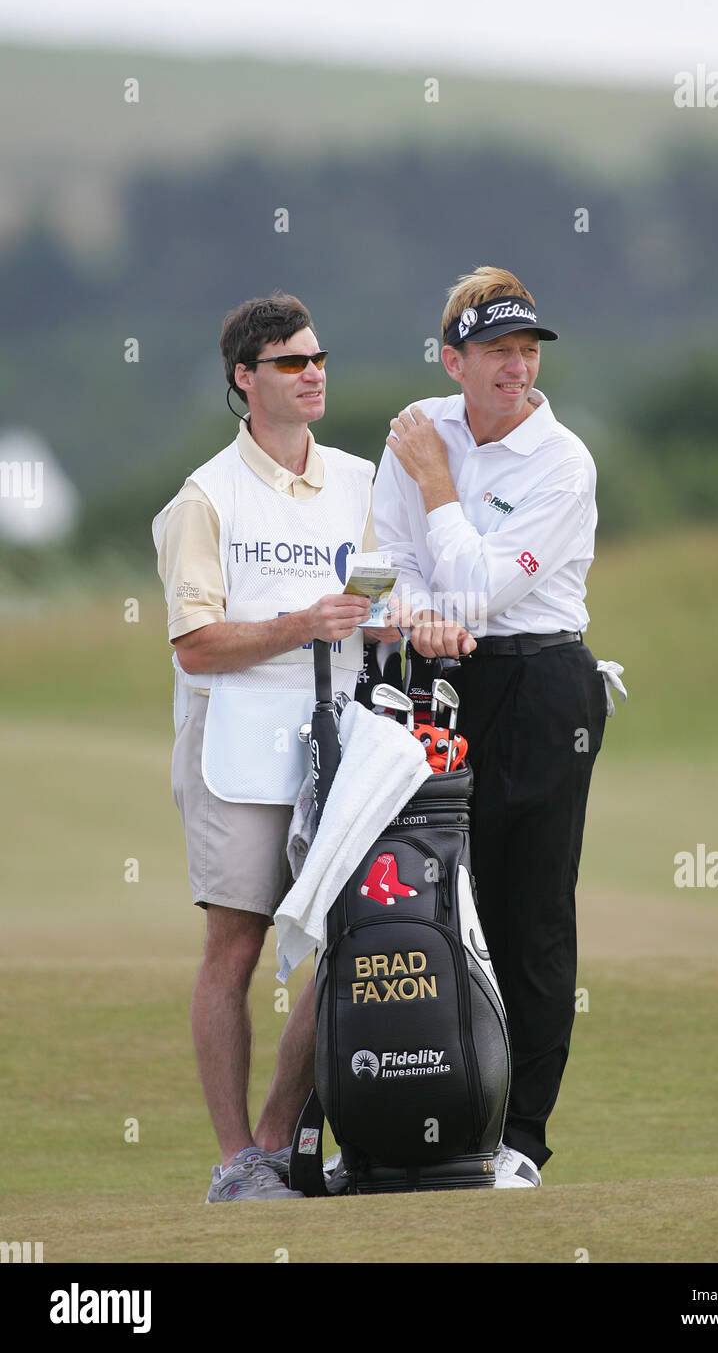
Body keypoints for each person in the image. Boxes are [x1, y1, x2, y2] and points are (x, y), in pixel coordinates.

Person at [153, 292, 395, 1201]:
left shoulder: (361, 481)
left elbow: (380, 605)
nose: (314, 373)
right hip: (238, 747)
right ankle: (233, 1164)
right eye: (292, 363)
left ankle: (274, 1139)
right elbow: (195, 643)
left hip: (339, 745)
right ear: (245, 380)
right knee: (237, 949)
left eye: (319, 357)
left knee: (350, 940)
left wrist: (402, 624)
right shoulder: (204, 498)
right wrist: (302, 624)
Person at [372, 266, 608, 1188]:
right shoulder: (415, 428)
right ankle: (436, 1112)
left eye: (526, 351)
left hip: (544, 684)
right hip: (439, 680)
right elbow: (386, 564)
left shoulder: (563, 460)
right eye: (497, 352)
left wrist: (438, 488)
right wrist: (425, 616)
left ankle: (523, 1140)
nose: (517, 368)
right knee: (434, 905)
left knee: (529, 915)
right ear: (453, 360)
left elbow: (481, 589)